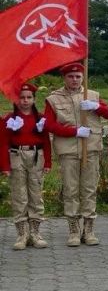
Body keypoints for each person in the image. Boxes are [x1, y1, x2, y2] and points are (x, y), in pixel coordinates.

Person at [44, 62, 108, 246]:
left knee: (89, 189)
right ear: (64, 78)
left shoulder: (92, 95)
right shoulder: (53, 99)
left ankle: (88, 230)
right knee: (71, 190)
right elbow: (49, 124)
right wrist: (73, 131)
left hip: (90, 148)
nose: (74, 79)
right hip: (68, 149)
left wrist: (96, 106)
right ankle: (74, 230)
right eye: (70, 76)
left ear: (83, 77)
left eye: (78, 76)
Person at [1, 82, 51, 250]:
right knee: (19, 195)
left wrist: (48, 162)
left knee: (35, 195)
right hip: (16, 156)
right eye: (22, 97)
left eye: (29, 97)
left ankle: (35, 233)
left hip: (36, 156)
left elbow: (46, 141)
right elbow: (3, 143)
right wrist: (5, 166)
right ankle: (22, 234)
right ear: (16, 100)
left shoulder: (40, 118)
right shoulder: (10, 119)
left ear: (34, 99)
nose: (25, 100)